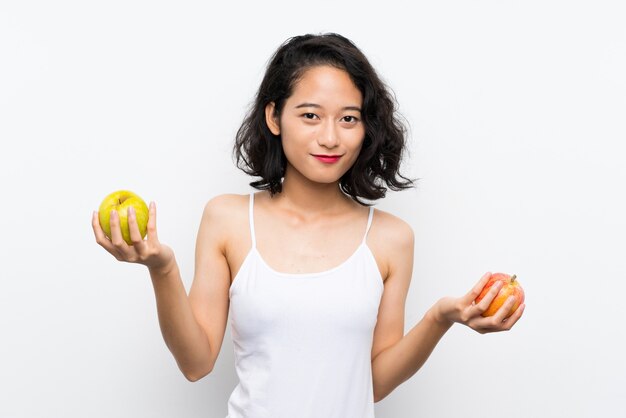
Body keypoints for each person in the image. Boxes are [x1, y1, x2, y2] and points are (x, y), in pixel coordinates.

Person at [92, 33, 525, 418]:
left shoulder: (392, 238)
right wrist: (162, 268)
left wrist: (440, 317)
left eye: (349, 118)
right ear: (274, 118)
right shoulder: (226, 219)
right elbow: (196, 363)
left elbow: (370, 384)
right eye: (311, 115)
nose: (331, 138)